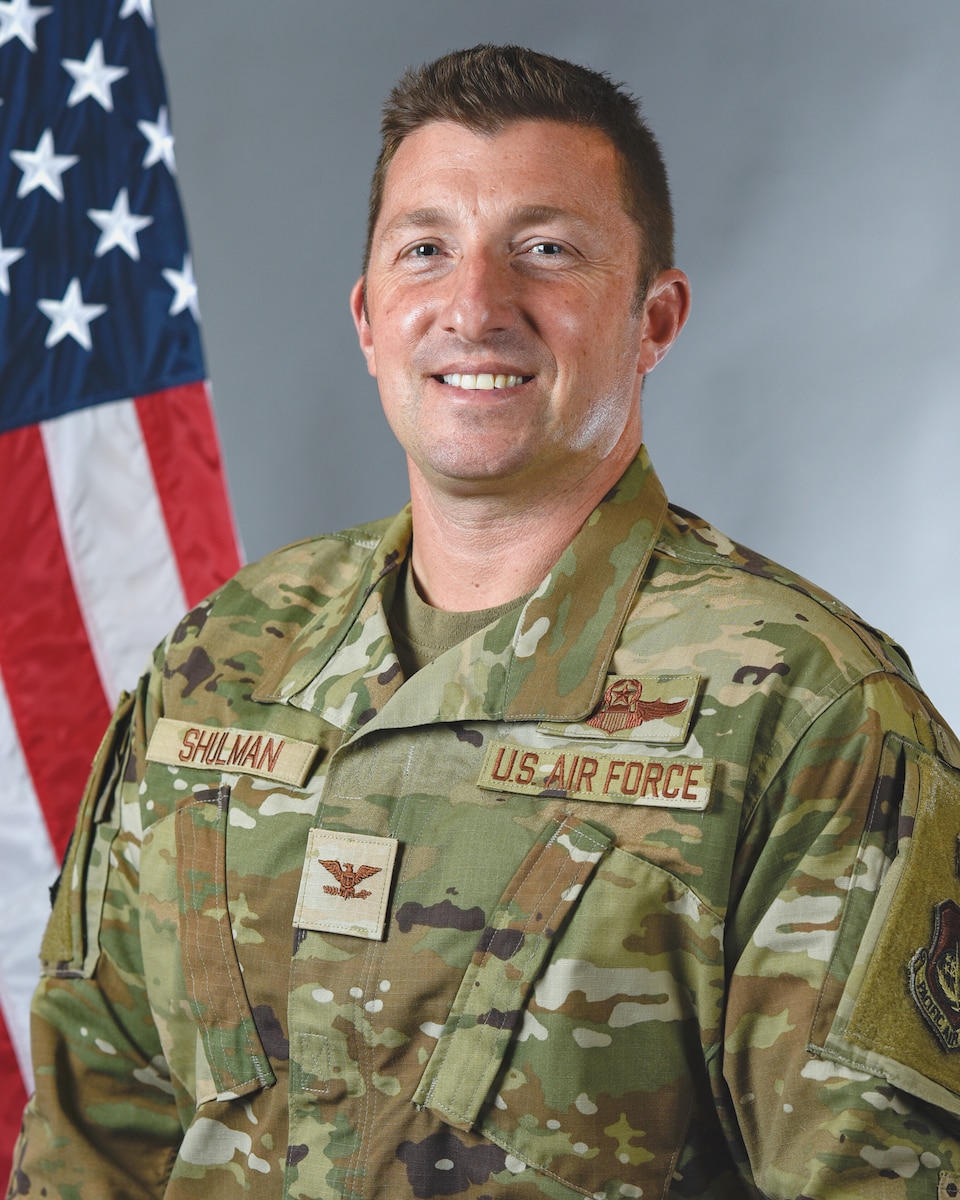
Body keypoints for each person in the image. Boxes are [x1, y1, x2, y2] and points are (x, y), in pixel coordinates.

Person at [8, 43, 960, 1200]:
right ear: (369, 320)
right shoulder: (219, 663)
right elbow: (89, 1142)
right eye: (425, 251)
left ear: (655, 319)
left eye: (545, 252)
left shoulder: (810, 718)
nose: (474, 307)